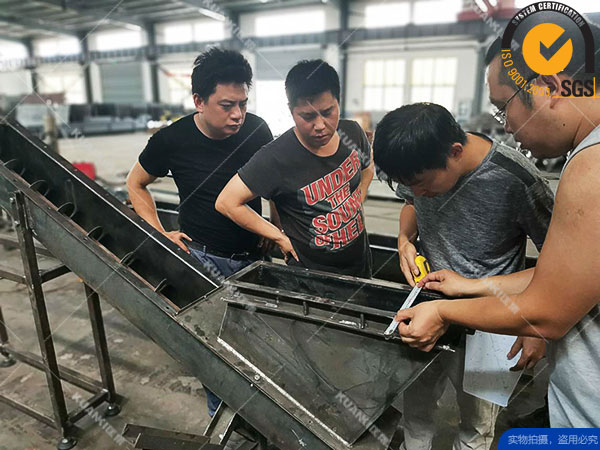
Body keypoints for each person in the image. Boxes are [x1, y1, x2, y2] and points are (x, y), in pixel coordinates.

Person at [394, 22, 600, 428]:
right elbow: (564, 279)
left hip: (589, 418)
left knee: (484, 425)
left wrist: (443, 312)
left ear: (550, 86)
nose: (506, 124)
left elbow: (548, 311)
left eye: (504, 107)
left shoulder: (589, 166)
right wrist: (470, 286)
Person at [373, 102, 553, 450]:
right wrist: (404, 240)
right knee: (417, 410)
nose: (418, 192)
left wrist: (534, 323)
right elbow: (410, 203)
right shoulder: (419, 163)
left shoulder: (516, 179)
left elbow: (557, 258)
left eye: (422, 184)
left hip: (492, 319)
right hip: (426, 308)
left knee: (477, 424)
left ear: (455, 152)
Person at [126, 48, 273, 417]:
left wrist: (274, 228)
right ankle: (223, 421)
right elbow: (136, 183)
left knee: (259, 347)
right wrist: (159, 234)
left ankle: (262, 418)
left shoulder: (257, 131)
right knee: (213, 351)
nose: (238, 114)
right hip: (201, 260)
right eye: (227, 105)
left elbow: (276, 185)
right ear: (199, 101)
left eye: (243, 103)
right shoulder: (172, 139)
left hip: (255, 260)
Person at [216, 59, 375, 278]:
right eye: (307, 116)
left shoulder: (353, 133)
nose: (320, 125)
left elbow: (367, 166)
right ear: (291, 111)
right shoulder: (276, 157)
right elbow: (227, 202)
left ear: (338, 102)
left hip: (360, 266)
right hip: (310, 277)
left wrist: (360, 194)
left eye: (328, 112)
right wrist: (278, 236)